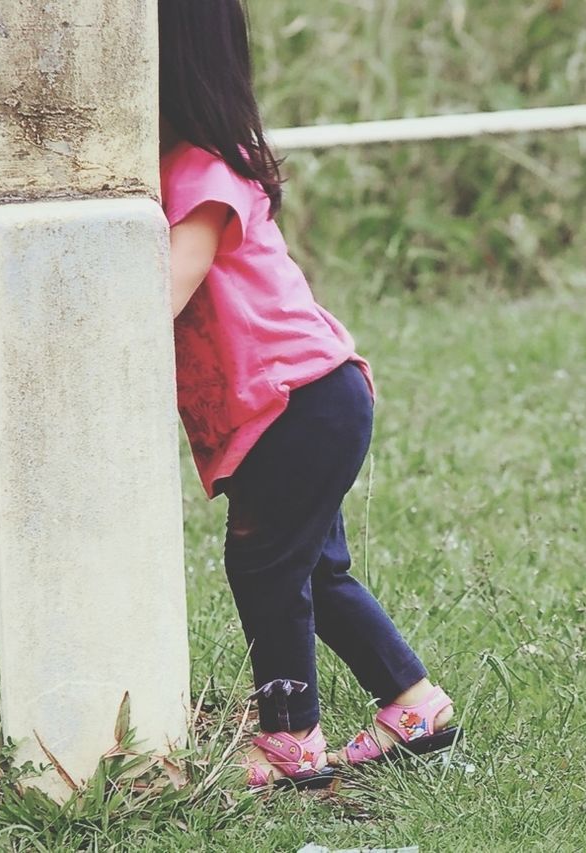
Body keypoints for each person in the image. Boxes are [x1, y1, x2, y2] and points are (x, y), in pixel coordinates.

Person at [158, 0, 461, 790]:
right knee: (315, 570)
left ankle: (290, 739)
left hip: (296, 405)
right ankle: (413, 705)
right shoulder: (205, 161)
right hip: (313, 397)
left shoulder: (198, 172)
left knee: (263, 565)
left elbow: (159, 295)